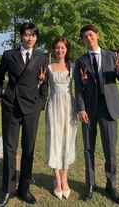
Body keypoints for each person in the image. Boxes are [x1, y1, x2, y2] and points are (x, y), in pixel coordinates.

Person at [0, 22, 48, 206]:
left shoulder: (42, 57)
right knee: (10, 149)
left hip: (32, 108)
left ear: (36, 37)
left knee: (29, 149)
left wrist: (41, 102)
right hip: (11, 106)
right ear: (21, 36)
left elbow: (45, 83)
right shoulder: (9, 55)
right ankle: (7, 190)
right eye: (26, 35)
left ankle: (24, 189)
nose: (29, 38)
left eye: (33, 35)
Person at [74, 24, 119, 205]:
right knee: (88, 148)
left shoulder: (112, 56)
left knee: (110, 149)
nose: (88, 39)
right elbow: (78, 88)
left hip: (109, 108)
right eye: (84, 37)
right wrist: (81, 109)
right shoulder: (81, 61)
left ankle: (111, 186)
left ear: (97, 35)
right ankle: (90, 185)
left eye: (90, 35)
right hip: (89, 109)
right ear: (83, 40)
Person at [45, 36, 77, 200]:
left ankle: (65, 179)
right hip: (53, 107)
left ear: (67, 49)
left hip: (69, 107)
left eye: (62, 47)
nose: (60, 50)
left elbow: (80, 87)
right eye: (57, 47)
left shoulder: (73, 66)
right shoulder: (49, 67)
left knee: (67, 140)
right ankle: (57, 180)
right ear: (54, 49)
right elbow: (42, 86)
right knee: (54, 141)